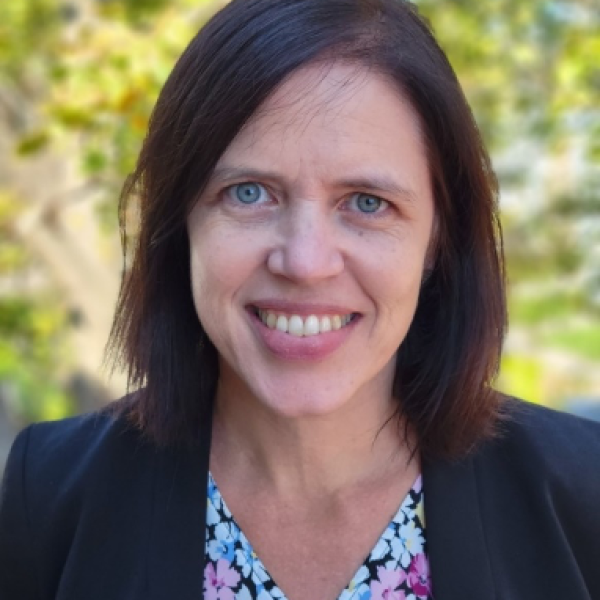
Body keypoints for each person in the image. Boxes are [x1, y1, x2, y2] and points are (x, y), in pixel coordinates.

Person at [1, 0, 599, 598]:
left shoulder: (582, 488)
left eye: (367, 202)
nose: (306, 263)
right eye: (249, 192)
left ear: (438, 237)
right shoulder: (50, 494)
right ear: (180, 222)